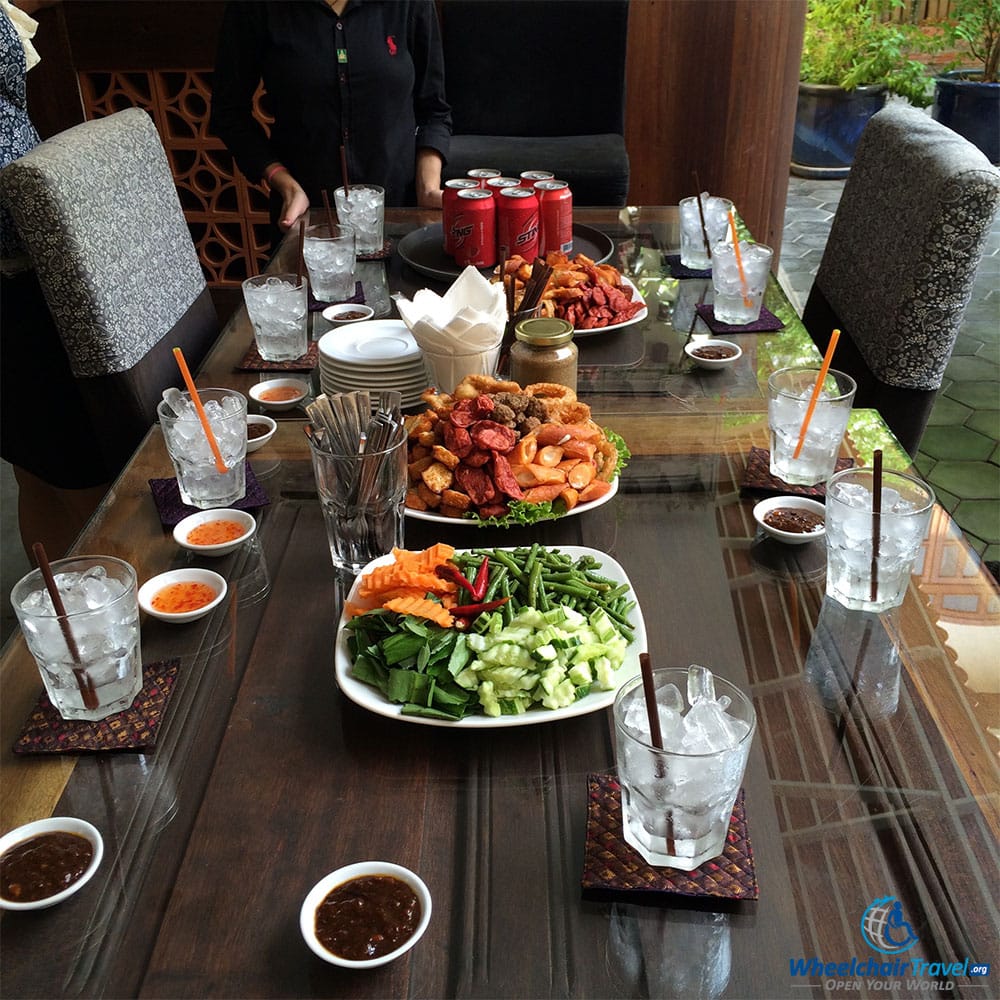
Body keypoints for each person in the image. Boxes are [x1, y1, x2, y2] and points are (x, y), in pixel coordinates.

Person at [1, 0, 110, 559]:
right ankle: (96, 618)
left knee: (36, 466)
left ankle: (64, 620)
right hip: (19, 283)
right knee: (80, 474)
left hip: (24, 277)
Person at [209, 0, 452, 248]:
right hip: (307, 219)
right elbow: (228, 113)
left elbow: (434, 109)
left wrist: (427, 187)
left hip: (400, 216)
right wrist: (283, 182)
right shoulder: (254, 8)